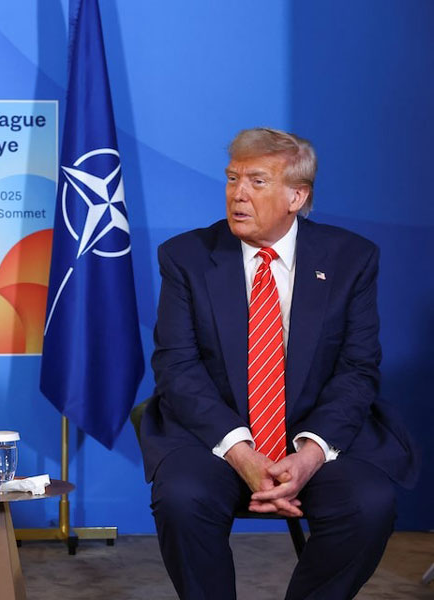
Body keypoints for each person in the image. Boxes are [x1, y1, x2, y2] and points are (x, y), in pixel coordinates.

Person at [138, 127, 418, 599]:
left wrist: (309, 456)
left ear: (297, 196)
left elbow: (358, 369)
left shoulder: (351, 259)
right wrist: (243, 454)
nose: (238, 194)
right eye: (231, 179)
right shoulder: (186, 257)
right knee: (181, 499)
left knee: (369, 505)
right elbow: (177, 367)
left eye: (257, 181)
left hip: (315, 436)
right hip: (218, 438)